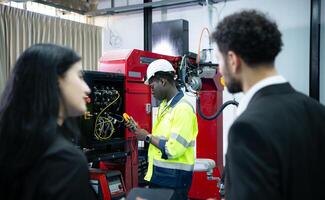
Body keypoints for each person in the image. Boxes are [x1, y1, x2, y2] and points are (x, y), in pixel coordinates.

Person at [211, 10, 325, 200]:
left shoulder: (247, 129)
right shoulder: (317, 111)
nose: (219, 69)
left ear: (233, 60)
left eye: (219, 60)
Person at [0, 44, 97, 200]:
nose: (87, 89)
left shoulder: (13, 146)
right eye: (79, 76)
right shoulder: (65, 161)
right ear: (56, 80)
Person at [125, 59, 198, 200]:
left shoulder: (183, 109)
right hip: (161, 176)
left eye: (152, 87)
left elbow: (173, 149)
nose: (151, 91)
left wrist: (147, 137)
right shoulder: (165, 106)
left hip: (175, 181)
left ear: (163, 81)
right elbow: (162, 138)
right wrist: (139, 131)